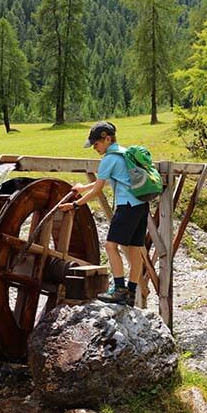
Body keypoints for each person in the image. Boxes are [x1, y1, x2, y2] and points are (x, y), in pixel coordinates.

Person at [57, 121, 148, 306]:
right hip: (141, 206)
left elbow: (97, 190)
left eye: (96, 144)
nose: (95, 148)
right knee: (135, 249)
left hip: (127, 206)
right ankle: (131, 292)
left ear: (107, 138)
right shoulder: (124, 153)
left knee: (110, 246)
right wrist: (82, 188)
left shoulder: (109, 158)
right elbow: (105, 181)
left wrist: (75, 205)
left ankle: (120, 290)